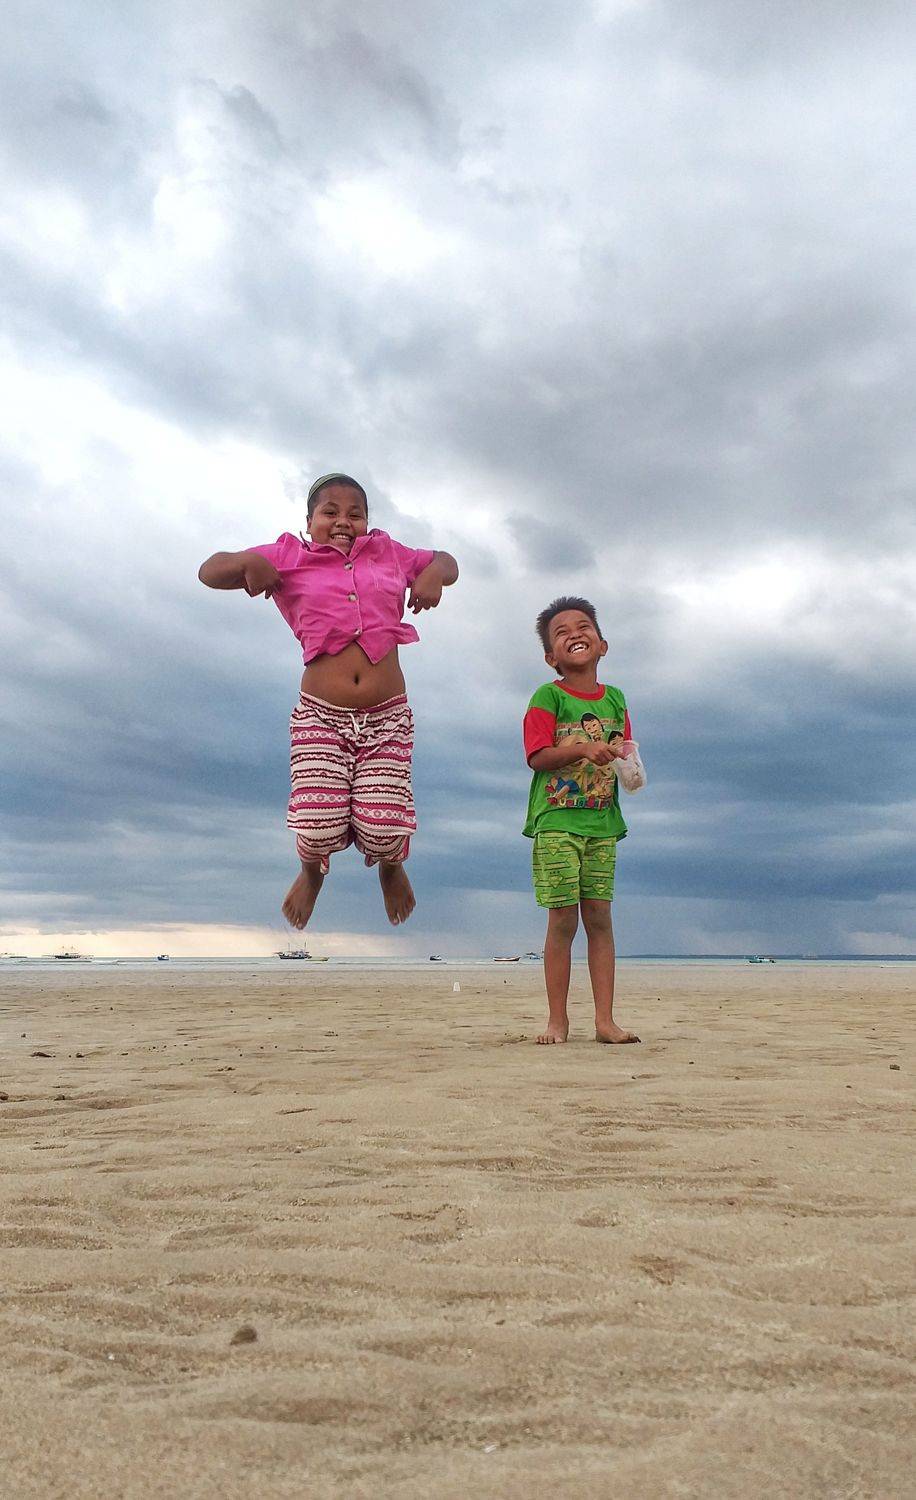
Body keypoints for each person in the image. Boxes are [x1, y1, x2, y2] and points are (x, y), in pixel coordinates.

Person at [198, 473, 458, 930]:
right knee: (317, 824)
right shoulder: (289, 556)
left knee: (383, 829)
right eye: (330, 512)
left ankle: (391, 867)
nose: (343, 522)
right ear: (309, 522)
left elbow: (446, 561)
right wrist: (249, 562)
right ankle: (311, 872)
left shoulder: (389, 552)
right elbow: (209, 570)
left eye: (355, 514)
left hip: (386, 717)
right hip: (321, 715)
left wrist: (434, 574)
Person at [523, 596, 642, 1045]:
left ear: (602, 644)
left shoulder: (616, 698)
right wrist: (583, 749)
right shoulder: (548, 696)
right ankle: (558, 1020)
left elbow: (625, 750)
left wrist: (632, 769)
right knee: (562, 921)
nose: (574, 634)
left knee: (600, 919)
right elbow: (536, 756)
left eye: (583, 626)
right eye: (561, 632)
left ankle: (605, 1021)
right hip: (556, 820)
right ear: (551, 657)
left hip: (603, 824)